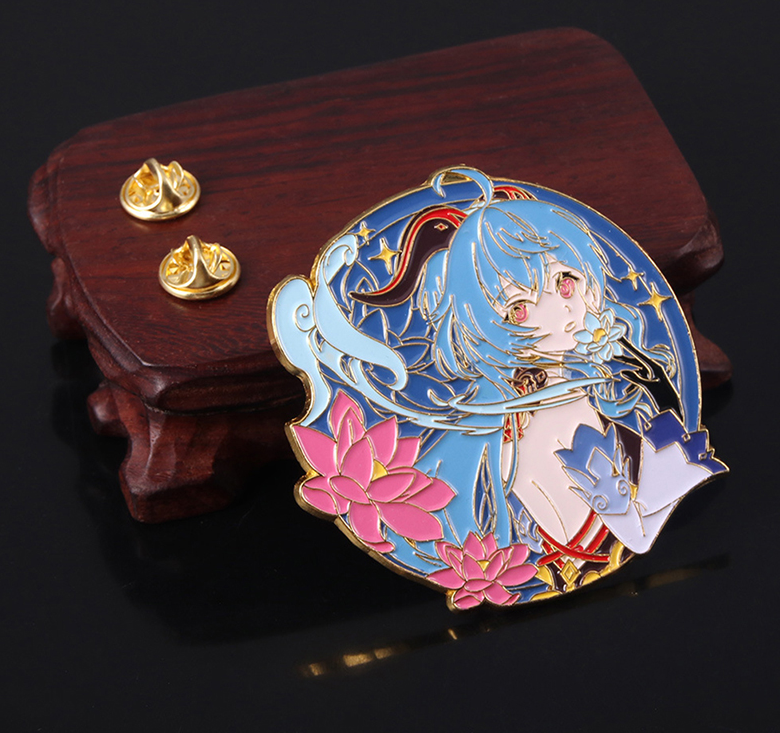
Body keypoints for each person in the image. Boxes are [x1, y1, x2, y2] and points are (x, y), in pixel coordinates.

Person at [271, 167, 726, 606]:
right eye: (519, 309)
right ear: (481, 330)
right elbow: (630, 532)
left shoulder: (609, 407)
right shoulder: (496, 445)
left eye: (565, 282)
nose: (561, 312)